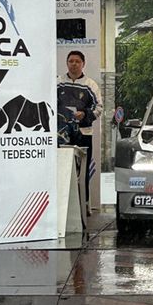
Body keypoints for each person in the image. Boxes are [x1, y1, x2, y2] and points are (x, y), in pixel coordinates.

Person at [57, 50, 103, 204]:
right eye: (71, 61)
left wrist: (84, 114)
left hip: (84, 133)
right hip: (62, 134)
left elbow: (99, 108)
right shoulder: (58, 82)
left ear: (83, 64)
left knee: (82, 171)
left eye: (77, 61)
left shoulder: (91, 85)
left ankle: (84, 203)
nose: (74, 64)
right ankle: (63, 205)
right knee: (62, 170)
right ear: (67, 63)